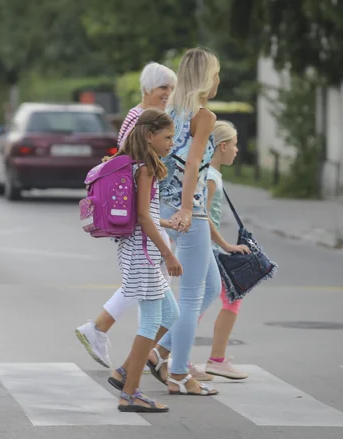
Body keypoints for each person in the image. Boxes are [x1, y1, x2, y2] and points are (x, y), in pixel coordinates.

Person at [75, 62, 177, 369]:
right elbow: (132, 183)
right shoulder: (141, 123)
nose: (167, 95)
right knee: (147, 299)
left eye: (171, 89)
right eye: (163, 88)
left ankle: (126, 360)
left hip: (143, 227)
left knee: (154, 300)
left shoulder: (144, 121)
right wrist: (160, 238)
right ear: (147, 88)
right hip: (140, 234)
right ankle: (127, 371)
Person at [146, 47, 222, 396]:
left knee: (211, 287)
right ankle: (178, 373)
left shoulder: (169, 111)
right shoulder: (203, 115)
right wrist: (189, 208)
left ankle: (160, 352)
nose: (219, 80)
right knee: (192, 296)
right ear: (207, 78)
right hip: (189, 213)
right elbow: (192, 164)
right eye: (216, 73)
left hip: (167, 206)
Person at [109, 108, 180, 413]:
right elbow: (143, 216)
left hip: (137, 249)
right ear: (150, 136)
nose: (171, 143)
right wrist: (168, 254)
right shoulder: (145, 168)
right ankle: (131, 393)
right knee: (151, 320)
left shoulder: (135, 164)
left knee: (171, 313)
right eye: (168, 137)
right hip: (144, 253)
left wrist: (164, 228)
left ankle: (126, 372)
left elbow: (146, 215)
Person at [201, 121, 250, 380]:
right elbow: (203, 216)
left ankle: (214, 359)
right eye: (234, 144)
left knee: (226, 299)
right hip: (208, 250)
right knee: (202, 304)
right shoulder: (210, 178)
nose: (237, 150)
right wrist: (226, 245)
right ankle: (212, 360)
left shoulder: (213, 175)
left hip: (210, 250)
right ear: (222, 146)